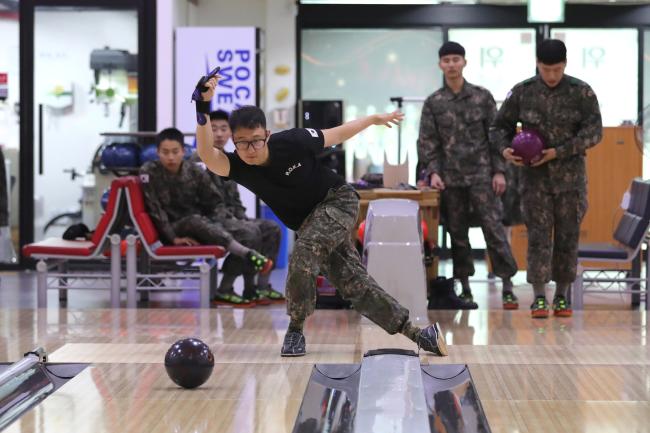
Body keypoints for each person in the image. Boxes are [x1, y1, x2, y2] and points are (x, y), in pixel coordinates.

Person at [195, 76, 447, 357]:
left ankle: (295, 330)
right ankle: (419, 334)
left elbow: (336, 133)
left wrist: (373, 119)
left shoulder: (292, 141)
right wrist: (203, 105)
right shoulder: (238, 166)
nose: (250, 149)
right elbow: (206, 153)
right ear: (233, 141)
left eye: (255, 141)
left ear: (266, 134)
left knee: (303, 253)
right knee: (354, 285)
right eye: (242, 143)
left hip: (338, 201)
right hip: (309, 224)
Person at [490, 39, 603, 318]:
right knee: (538, 238)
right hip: (534, 181)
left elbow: (594, 132)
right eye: (546, 69)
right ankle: (539, 297)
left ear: (565, 65)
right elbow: (498, 126)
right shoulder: (523, 92)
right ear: (537, 64)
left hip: (570, 182)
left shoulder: (581, 92)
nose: (551, 76)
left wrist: (559, 152)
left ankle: (562, 296)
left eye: (557, 69)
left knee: (567, 237)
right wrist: (506, 150)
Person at [417, 41, 518, 310]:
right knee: (458, 235)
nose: (451, 64)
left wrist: (499, 171)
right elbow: (427, 142)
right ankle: (465, 288)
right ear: (440, 64)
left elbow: (496, 136)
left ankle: (508, 285)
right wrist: (434, 172)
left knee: (494, 230)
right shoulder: (434, 102)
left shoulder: (482, 97)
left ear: (464, 62)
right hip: (450, 180)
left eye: (456, 59)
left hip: (483, 176)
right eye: (446, 60)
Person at [140, 127, 273, 307]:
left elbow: (213, 201)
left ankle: (243, 288)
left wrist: (224, 222)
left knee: (249, 232)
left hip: (202, 225)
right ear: (157, 152)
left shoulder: (194, 171)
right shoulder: (149, 172)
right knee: (195, 220)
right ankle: (247, 254)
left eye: (175, 152)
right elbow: (155, 209)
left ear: (183, 151)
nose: (170, 157)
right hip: (173, 228)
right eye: (165, 152)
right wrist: (173, 238)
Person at [190, 110, 284, 303]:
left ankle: (261, 287)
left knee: (271, 228)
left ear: (230, 135)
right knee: (249, 232)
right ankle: (226, 288)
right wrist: (237, 220)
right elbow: (204, 203)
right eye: (213, 129)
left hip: (230, 217)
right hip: (209, 220)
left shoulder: (229, 159)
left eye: (223, 129)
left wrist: (240, 216)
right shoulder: (197, 162)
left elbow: (235, 200)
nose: (218, 133)